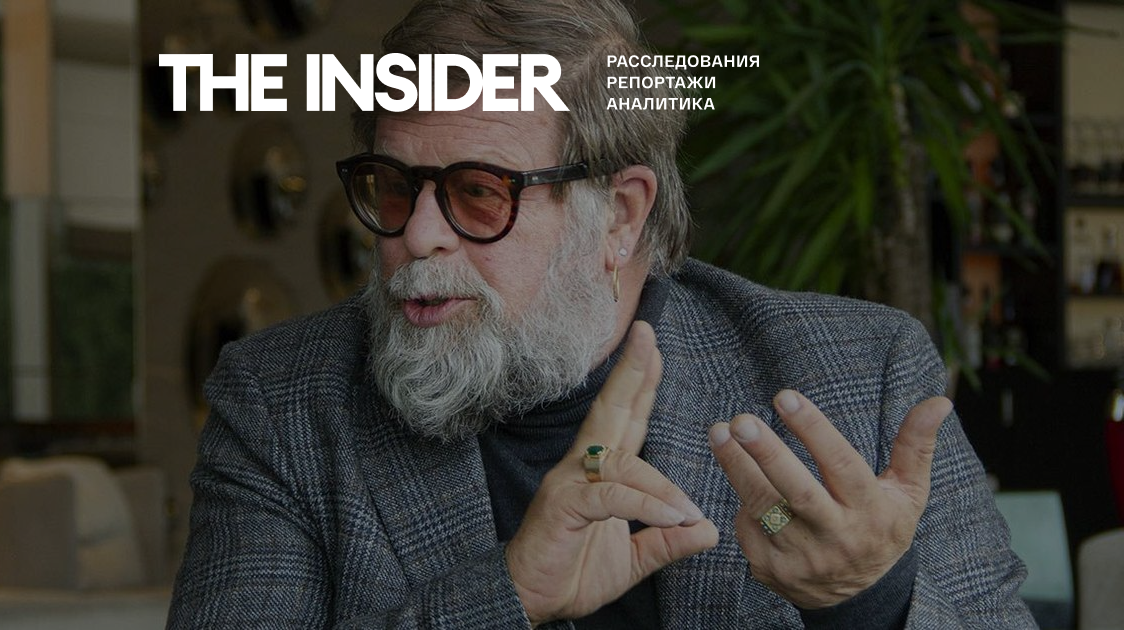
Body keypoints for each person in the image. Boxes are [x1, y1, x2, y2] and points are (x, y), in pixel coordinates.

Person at [167, 1, 1035, 628]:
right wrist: (507, 596)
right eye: (394, 187)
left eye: (478, 192)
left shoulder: (856, 375)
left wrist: (871, 604)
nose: (416, 235)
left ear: (619, 216)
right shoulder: (282, 403)